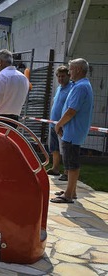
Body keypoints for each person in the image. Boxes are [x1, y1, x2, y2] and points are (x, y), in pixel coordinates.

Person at [51, 58, 94, 204]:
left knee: (72, 163)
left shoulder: (80, 87)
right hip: (71, 131)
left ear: (78, 70)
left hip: (73, 132)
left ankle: (68, 194)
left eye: (70, 69)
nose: (69, 72)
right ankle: (72, 190)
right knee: (69, 162)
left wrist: (59, 125)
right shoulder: (79, 85)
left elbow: (71, 111)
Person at [46, 66, 73, 179]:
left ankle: (67, 172)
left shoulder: (71, 88)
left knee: (65, 149)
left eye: (63, 76)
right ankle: (55, 168)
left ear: (68, 76)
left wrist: (61, 123)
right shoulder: (59, 88)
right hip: (53, 123)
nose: (61, 79)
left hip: (63, 124)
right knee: (54, 148)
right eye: (59, 76)